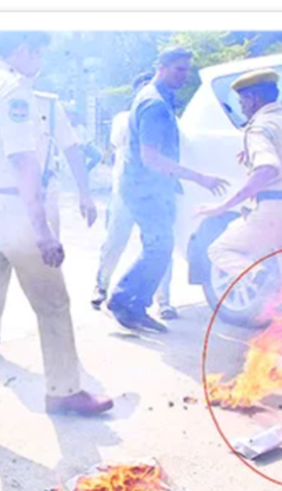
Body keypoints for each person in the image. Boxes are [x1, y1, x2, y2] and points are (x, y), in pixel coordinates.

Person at [0, 31, 113, 432]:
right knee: (52, 304)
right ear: (21, 50)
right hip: (14, 208)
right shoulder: (13, 88)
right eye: (38, 54)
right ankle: (64, 391)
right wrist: (42, 231)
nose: (39, 62)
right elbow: (24, 162)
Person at [195, 68, 282, 369]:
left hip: (275, 212)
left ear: (254, 98)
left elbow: (267, 169)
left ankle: (257, 275)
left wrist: (223, 206)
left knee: (219, 250)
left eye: (243, 101)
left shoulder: (259, 128)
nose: (242, 107)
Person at [106, 47, 229, 333]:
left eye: (186, 70)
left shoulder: (157, 97)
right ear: (161, 67)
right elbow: (151, 157)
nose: (184, 76)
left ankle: (130, 303)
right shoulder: (155, 104)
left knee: (158, 247)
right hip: (144, 188)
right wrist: (199, 177)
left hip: (148, 187)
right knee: (159, 247)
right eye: (178, 70)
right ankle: (125, 302)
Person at [0, 88, 98, 364]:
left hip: (44, 196)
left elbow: (71, 147)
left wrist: (85, 193)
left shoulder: (49, 105)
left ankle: (58, 346)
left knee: (48, 269)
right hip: (3, 198)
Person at [92, 70, 179, 316]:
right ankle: (101, 287)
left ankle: (164, 301)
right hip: (126, 191)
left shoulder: (166, 115)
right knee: (115, 240)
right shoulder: (124, 119)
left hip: (158, 191)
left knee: (159, 245)